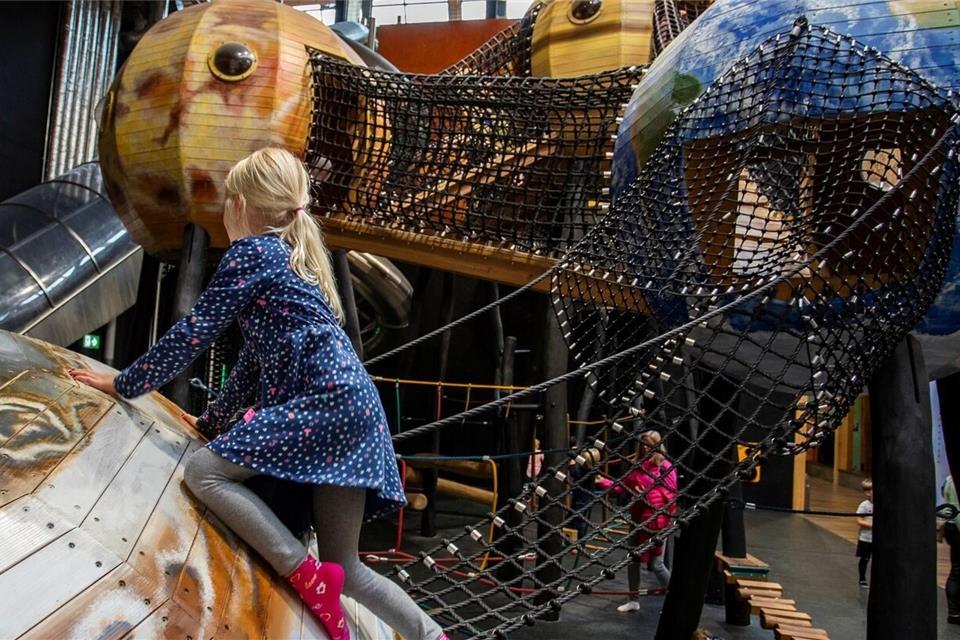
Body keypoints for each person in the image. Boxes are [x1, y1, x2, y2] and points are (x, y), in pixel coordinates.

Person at [70, 148, 447, 640]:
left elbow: (194, 331)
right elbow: (253, 361)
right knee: (348, 567)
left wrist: (123, 383)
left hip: (324, 402)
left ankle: (303, 573)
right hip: (356, 409)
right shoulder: (295, 263)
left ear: (241, 205)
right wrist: (211, 420)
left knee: (205, 474)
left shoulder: (253, 253)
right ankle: (433, 635)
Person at [596, 430, 677, 612]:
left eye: (649, 444)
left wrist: (647, 496)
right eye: (643, 445)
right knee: (633, 560)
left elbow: (671, 496)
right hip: (638, 519)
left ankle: (676, 598)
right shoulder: (639, 465)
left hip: (658, 520)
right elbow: (623, 486)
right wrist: (603, 482)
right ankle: (634, 600)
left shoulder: (665, 467)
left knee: (657, 564)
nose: (645, 448)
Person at [943, 475, 960, 624]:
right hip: (958, 525)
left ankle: (954, 611)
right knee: (957, 570)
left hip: (951, 525)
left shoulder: (949, 479)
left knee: (956, 569)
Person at [856, 478, 874, 588]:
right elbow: (858, 520)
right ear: (867, 492)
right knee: (865, 558)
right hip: (866, 538)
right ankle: (862, 578)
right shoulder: (864, 505)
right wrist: (871, 525)